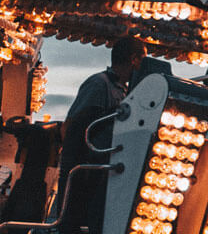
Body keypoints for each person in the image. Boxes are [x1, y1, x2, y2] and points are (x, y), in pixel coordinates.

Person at [55, 37, 146, 234]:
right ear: (134, 59)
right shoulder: (99, 85)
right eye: (143, 59)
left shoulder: (124, 91)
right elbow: (71, 126)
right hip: (85, 170)